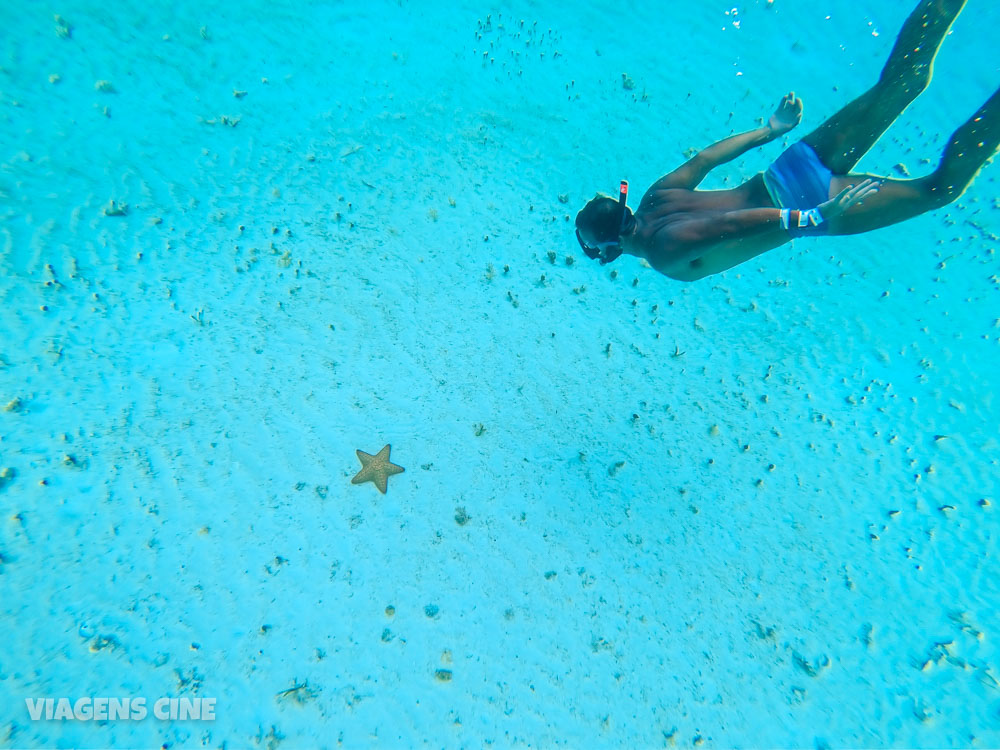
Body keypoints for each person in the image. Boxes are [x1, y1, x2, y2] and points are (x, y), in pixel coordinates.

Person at [575, 0, 998, 282]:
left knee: (939, 188)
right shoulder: (654, 198)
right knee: (902, 84)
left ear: (609, 249)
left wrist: (811, 218)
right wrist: (771, 131)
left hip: (809, 203)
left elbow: (729, 225)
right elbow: (704, 159)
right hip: (790, 165)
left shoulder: (663, 252)